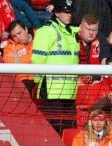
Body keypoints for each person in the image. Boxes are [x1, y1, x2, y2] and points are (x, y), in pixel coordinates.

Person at [32, 0, 79, 135]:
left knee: (70, 131)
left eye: (70, 11)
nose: (69, 15)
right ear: (57, 13)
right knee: (54, 132)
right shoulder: (46, 31)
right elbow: (38, 59)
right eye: (65, 11)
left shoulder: (71, 32)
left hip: (70, 92)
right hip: (53, 92)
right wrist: (38, 81)